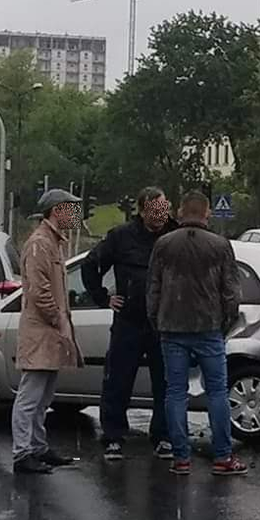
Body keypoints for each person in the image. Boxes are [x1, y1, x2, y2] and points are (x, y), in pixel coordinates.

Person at [147, 190, 247, 476]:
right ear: (206, 213)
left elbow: (153, 287)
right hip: (208, 326)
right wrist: (225, 322)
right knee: (217, 391)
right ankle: (223, 456)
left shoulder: (163, 245)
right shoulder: (220, 245)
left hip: (172, 326)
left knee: (175, 392)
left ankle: (181, 458)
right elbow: (231, 291)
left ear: (180, 212)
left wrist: (156, 319)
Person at [82, 187, 178, 461]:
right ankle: (113, 436)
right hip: (130, 320)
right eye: (155, 211)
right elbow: (91, 265)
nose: (161, 216)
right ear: (142, 210)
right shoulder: (122, 237)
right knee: (118, 379)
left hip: (164, 322)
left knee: (166, 381)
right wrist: (103, 297)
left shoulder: (175, 235)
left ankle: (163, 436)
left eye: (164, 209)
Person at [12, 188, 85, 474]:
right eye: (71, 209)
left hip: (49, 332)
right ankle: (22, 453)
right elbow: (40, 291)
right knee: (30, 396)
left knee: (43, 397)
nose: (76, 215)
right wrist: (57, 319)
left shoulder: (52, 242)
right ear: (57, 211)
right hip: (40, 331)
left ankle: (37, 447)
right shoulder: (39, 244)